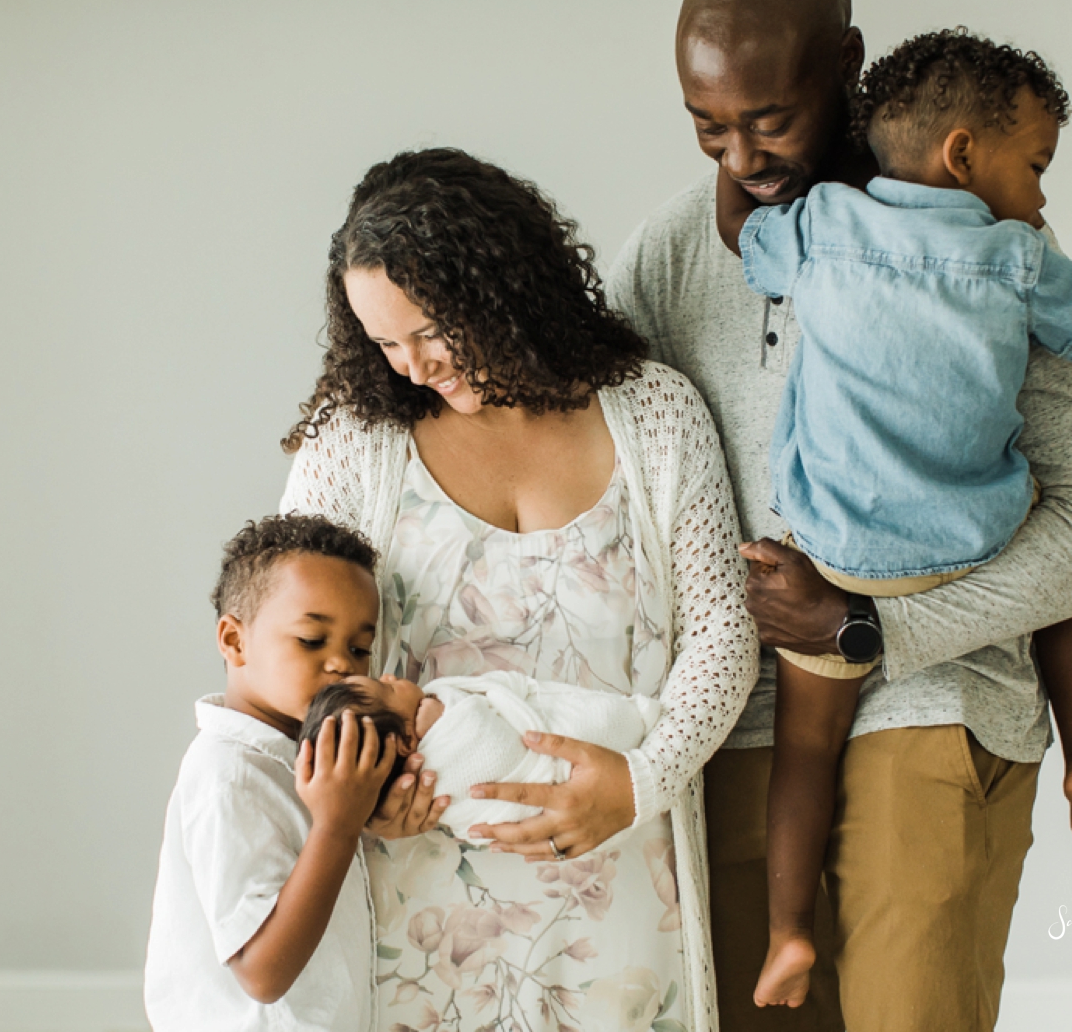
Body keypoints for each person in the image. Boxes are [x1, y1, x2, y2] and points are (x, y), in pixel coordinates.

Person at [606, 0, 1072, 1029]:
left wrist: (871, 627)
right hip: (730, 739)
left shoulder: (990, 240)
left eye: (768, 120)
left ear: (844, 67)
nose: (740, 157)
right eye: (707, 127)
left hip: (935, 708)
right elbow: (593, 462)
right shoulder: (676, 251)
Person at [279, 147, 757, 1032]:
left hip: (624, 892)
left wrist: (643, 779)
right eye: (383, 342)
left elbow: (725, 631)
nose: (411, 365)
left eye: (428, 331)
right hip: (415, 908)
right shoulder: (355, 442)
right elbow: (290, 645)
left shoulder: (653, 413)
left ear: (501, 287)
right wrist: (356, 801)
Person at [144, 515, 397, 1032]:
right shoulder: (229, 774)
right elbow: (261, 973)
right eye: (311, 640)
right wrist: (337, 826)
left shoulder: (306, 757)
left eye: (359, 649)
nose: (340, 666)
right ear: (234, 641)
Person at [300, 670, 664, 838]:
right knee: (599, 728)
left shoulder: (417, 741)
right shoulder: (446, 725)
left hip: (623, 799)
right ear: (408, 741)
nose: (389, 675)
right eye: (385, 688)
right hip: (566, 787)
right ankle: (635, 721)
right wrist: (445, 706)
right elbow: (494, 743)